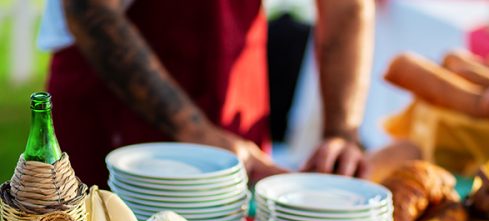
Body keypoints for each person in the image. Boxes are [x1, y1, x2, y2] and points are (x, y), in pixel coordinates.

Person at [40, 0, 375, 188]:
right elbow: (90, 9)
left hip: (232, 86)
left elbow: (345, 7)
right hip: (111, 102)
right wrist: (194, 129)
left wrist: (342, 133)